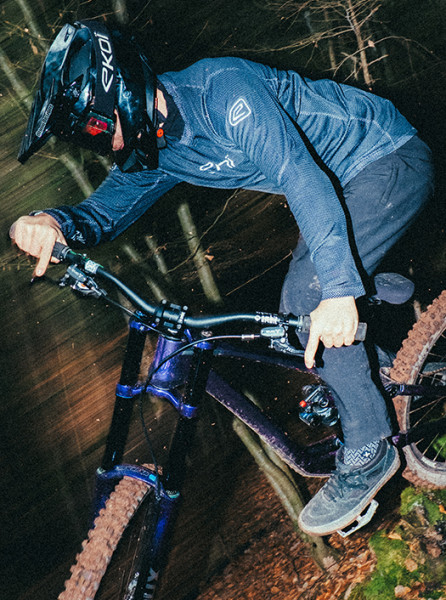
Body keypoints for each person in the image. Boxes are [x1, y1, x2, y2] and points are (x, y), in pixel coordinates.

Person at [10, 20, 434, 536]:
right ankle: (374, 343)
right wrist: (50, 221)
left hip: (385, 156)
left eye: (99, 128)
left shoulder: (221, 90)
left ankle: (369, 447)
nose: (105, 143)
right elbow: (101, 213)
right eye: (92, 138)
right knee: (297, 316)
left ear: (123, 90)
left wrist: (339, 291)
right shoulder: (157, 151)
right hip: (339, 190)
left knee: (308, 293)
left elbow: (300, 176)